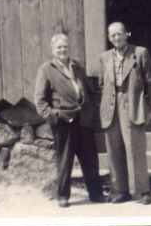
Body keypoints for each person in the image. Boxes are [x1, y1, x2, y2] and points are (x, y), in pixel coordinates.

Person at [34, 33, 109, 208]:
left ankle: (96, 194)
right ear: (53, 50)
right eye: (59, 47)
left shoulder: (77, 66)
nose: (63, 50)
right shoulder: (46, 69)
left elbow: (89, 91)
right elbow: (40, 100)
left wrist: (91, 112)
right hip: (64, 121)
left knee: (90, 158)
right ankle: (62, 195)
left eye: (65, 46)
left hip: (84, 120)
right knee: (65, 159)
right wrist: (54, 115)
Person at [99, 22, 151, 205]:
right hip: (110, 107)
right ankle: (119, 190)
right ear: (109, 38)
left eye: (119, 34)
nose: (116, 38)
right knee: (114, 149)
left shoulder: (139, 53)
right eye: (112, 35)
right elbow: (103, 84)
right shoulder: (104, 57)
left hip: (131, 105)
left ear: (126, 34)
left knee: (135, 148)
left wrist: (145, 107)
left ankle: (142, 190)